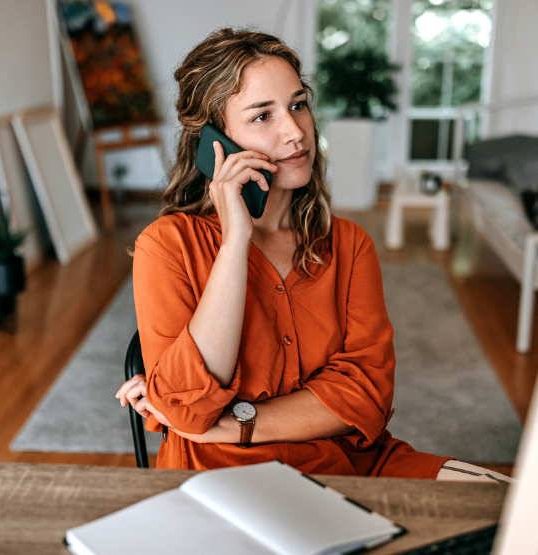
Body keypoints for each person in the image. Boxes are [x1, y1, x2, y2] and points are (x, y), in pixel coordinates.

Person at [116, 28, 510, 482]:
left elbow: (367, 394)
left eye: (298, 105)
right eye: (263, 116)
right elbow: (187, 407)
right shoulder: (167, 246)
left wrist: (233, 423)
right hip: (222, 475)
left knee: (511, 509)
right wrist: (235, 241)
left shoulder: (350, 244)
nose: (296, 132)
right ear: (215, 142)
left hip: (352, 466)